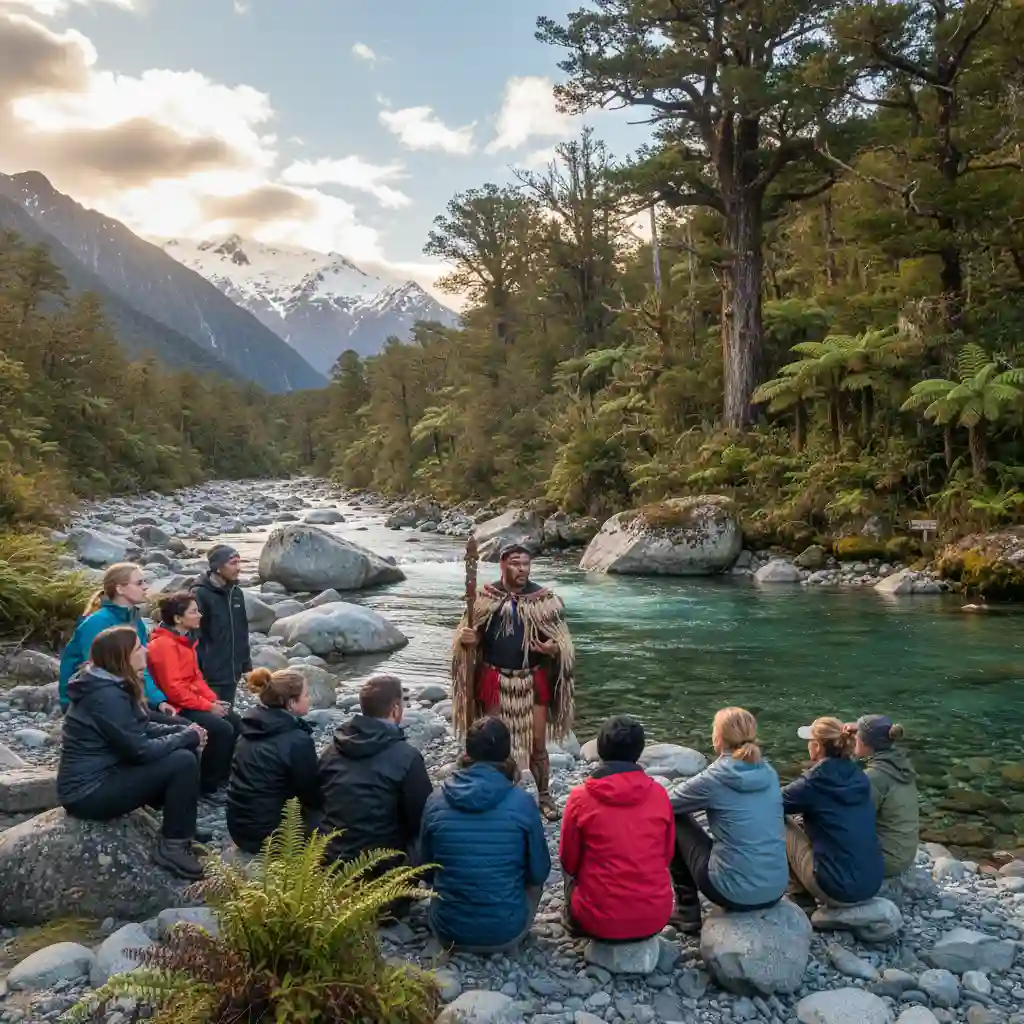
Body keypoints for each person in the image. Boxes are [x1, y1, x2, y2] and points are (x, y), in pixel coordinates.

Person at [57, 625, 206, 880]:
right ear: (122, 656)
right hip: (87, 792)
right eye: (139, 647)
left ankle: (181, 827)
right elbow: (140, 750)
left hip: (107, 772)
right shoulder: (106, 696)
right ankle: (172, 847)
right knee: (182, 760)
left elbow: (140, 725)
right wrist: (185, 736)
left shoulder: (109, 683)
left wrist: (187, 733)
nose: (146, 650)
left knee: (185, 748)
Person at [452, 543, 575, 821]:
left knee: (538, 744)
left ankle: (544, 795)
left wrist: (553, 649)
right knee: (495, 742)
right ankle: (498, 794)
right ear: (503, 564)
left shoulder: (545, 599)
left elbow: (563, 644)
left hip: (533, 679)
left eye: (526, 564)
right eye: (516, 563)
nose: (522, 569)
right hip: (495, 678)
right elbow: (471, 635)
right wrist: (466, 639)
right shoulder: (485, 597)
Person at [420, 717, 551, 953]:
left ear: (467, 751)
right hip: (506, 933)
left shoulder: (435, 800)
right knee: (534, 885)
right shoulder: (523, 803)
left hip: (447, 930)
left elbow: (426, 871)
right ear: (507, 752)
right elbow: (539, 872)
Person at [667, 707, 789, 932]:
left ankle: (686, 910)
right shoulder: (769, 773)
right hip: (776, 888)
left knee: (674, 818)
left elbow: (665, 803)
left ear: (718, 738)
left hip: (732, 892)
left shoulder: (714, 777)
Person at [559, 715, 675, 942]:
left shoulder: (580, 798)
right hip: (654, 917)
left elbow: (568, 861)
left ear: (600, 750)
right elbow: (666, 855)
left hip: (597, 920)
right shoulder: (660, 795)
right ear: (638, 752)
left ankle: (575, 918)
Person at [318, 674, 432, 868]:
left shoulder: (331, 751)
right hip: (383, 867)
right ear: (396, 709)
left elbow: (317, 799)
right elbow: (422, 815)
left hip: (333, 861)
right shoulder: (406, 757)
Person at [147, 592, 242, 804]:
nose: (200, 615)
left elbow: (196, 677)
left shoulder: (185, 640)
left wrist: (212, 700)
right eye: (194, 611)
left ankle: (222, 778)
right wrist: (207, 707)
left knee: (234, 721)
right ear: (178, 619)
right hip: (174, 707)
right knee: (221, 729)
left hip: (187, 700)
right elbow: (174, 689)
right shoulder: (164, 645)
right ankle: (208, 787)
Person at [783, 716, 884, 907]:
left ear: (818, 747)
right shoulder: (860, 776)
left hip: (836, 890)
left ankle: (800, 897)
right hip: (871, 884)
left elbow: (772, 802)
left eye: (810, 742)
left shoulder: (814, 781)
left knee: (779, 821)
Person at [227, 667, 323, 853]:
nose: (309, 698)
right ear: (290, 703)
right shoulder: (296, 740)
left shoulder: (250, 725)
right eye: (305, 695)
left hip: (238, 828)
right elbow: (313, 795)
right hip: (272, 838)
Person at [59, 563, 175, 715]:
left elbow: (141, 667)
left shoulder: (135, 620)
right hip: (89, 702)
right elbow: (96, 671)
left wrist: (158, 701)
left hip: (123, 695)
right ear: (120, 589)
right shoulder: (98, 622)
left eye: (145, 582)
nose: (146, 587)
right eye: (139, 583)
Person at [853, 715, 919, 878]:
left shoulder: (874, 777)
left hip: (886, 861)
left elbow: (852, 821)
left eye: (857, 735)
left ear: (864, 741)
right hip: (904, 854)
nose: (853, 738)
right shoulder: (900, 764)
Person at [192, 545, 251, 707]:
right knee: (213, 720)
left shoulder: (236, 593)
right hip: (209, 673)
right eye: (233, 563)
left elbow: (242, 630)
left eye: (239, 562)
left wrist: (246, 665)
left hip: (233, 671)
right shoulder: (200, 594)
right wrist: (199, 668)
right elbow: (192, 634)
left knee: (228, 714)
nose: (238, 568)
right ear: (217, 567)